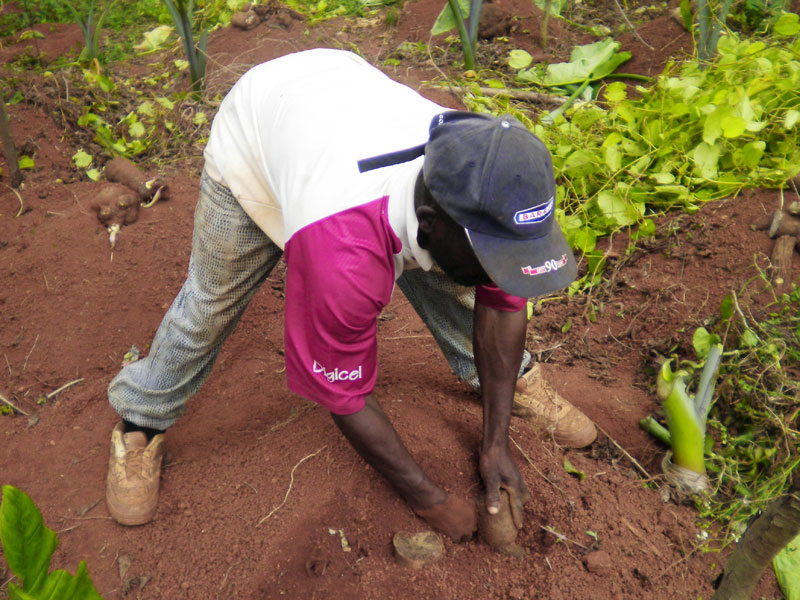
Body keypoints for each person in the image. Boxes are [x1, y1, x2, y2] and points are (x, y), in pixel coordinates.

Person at [104, 48, 596, 542]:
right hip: (257, 133)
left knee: (463, 286)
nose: (502, 270)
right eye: (494, 257)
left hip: (337, 95)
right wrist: (429, 499)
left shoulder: (488, 174)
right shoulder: (343, 255)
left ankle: (503, 382)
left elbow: (500, 294)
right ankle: (140, 421)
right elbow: (343, 393)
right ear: (428, 225)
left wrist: (496, 443)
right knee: (210, 305)